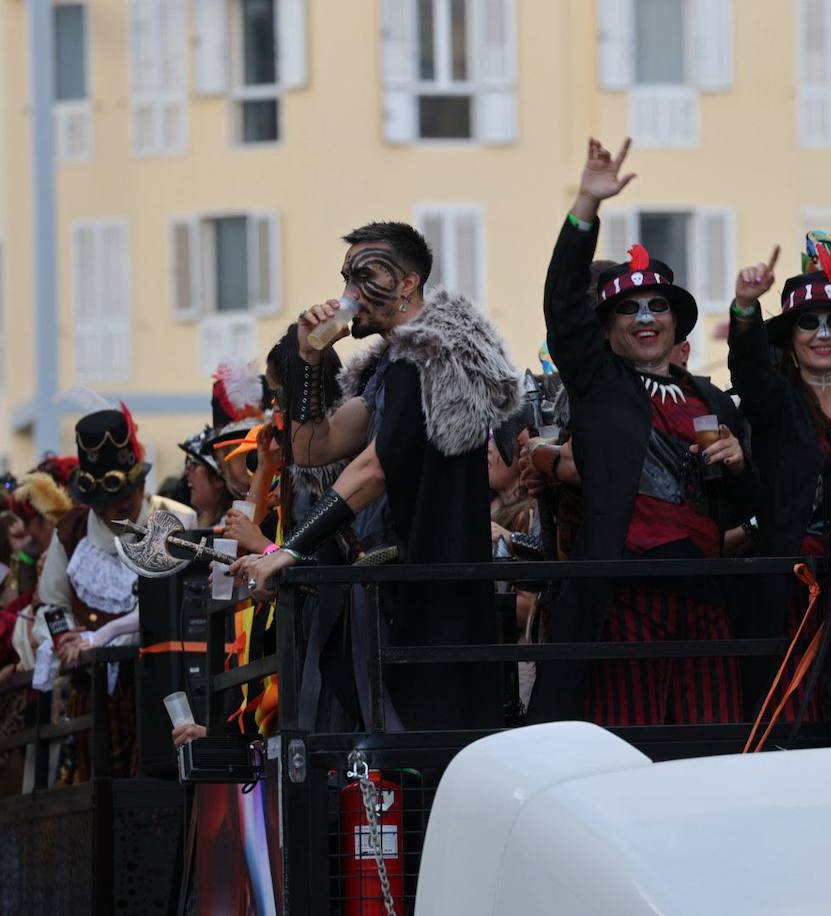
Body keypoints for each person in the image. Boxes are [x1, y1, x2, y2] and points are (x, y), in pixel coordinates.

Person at [231, 221, 521, 731]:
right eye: (345, 277)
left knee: (421, 759)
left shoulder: (432, 355)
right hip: (396, 596)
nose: (347, 294)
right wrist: (308, 357)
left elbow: (373, 471)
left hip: (436, 597)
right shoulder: (393, 366)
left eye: (365, 276)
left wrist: (285, 551)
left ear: (408, 283)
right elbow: (312, 447)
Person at [527, 137, 755, 726]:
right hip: (625, 598)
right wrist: (585, 207)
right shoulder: (602, 386)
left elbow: (746, 508)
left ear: (678, 320)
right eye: (630, 309)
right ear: (606, 330)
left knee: (714, 749)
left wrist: (739, 464)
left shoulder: (712, 399)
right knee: (632, 750)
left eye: (658, 306)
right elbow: (561, 308)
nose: (647, 318)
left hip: (706, 598)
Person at [727, 240, 831, 718]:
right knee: (793, 711)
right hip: (792, 585)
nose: (823, 333)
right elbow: (747, 369)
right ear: (790, 338)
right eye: (809, 322)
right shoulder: (775, 404)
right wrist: (745, 307)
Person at [35, 408, 193, 780]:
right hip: (95, 697)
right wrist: (63, 640)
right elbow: (50, 605)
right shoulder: (70, 533)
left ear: (140, 487)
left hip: (163, 682)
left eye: (121, 507)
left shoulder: (175, 520)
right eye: (102, 510)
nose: (112, 518)